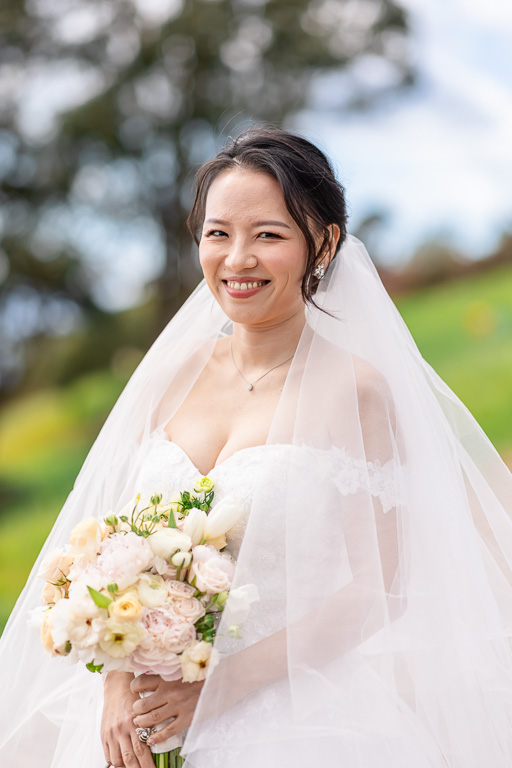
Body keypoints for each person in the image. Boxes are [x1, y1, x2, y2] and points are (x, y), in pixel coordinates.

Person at [2, 126, 512, 768]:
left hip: (297, 723)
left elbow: (379, 589)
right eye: (218, 233)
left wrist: (221, 686)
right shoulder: (167, 380)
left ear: (321, 245)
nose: (237, 258)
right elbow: (110, 556)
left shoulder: (358, 390)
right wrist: (116, 687)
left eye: (267, 235)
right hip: (139, 729)